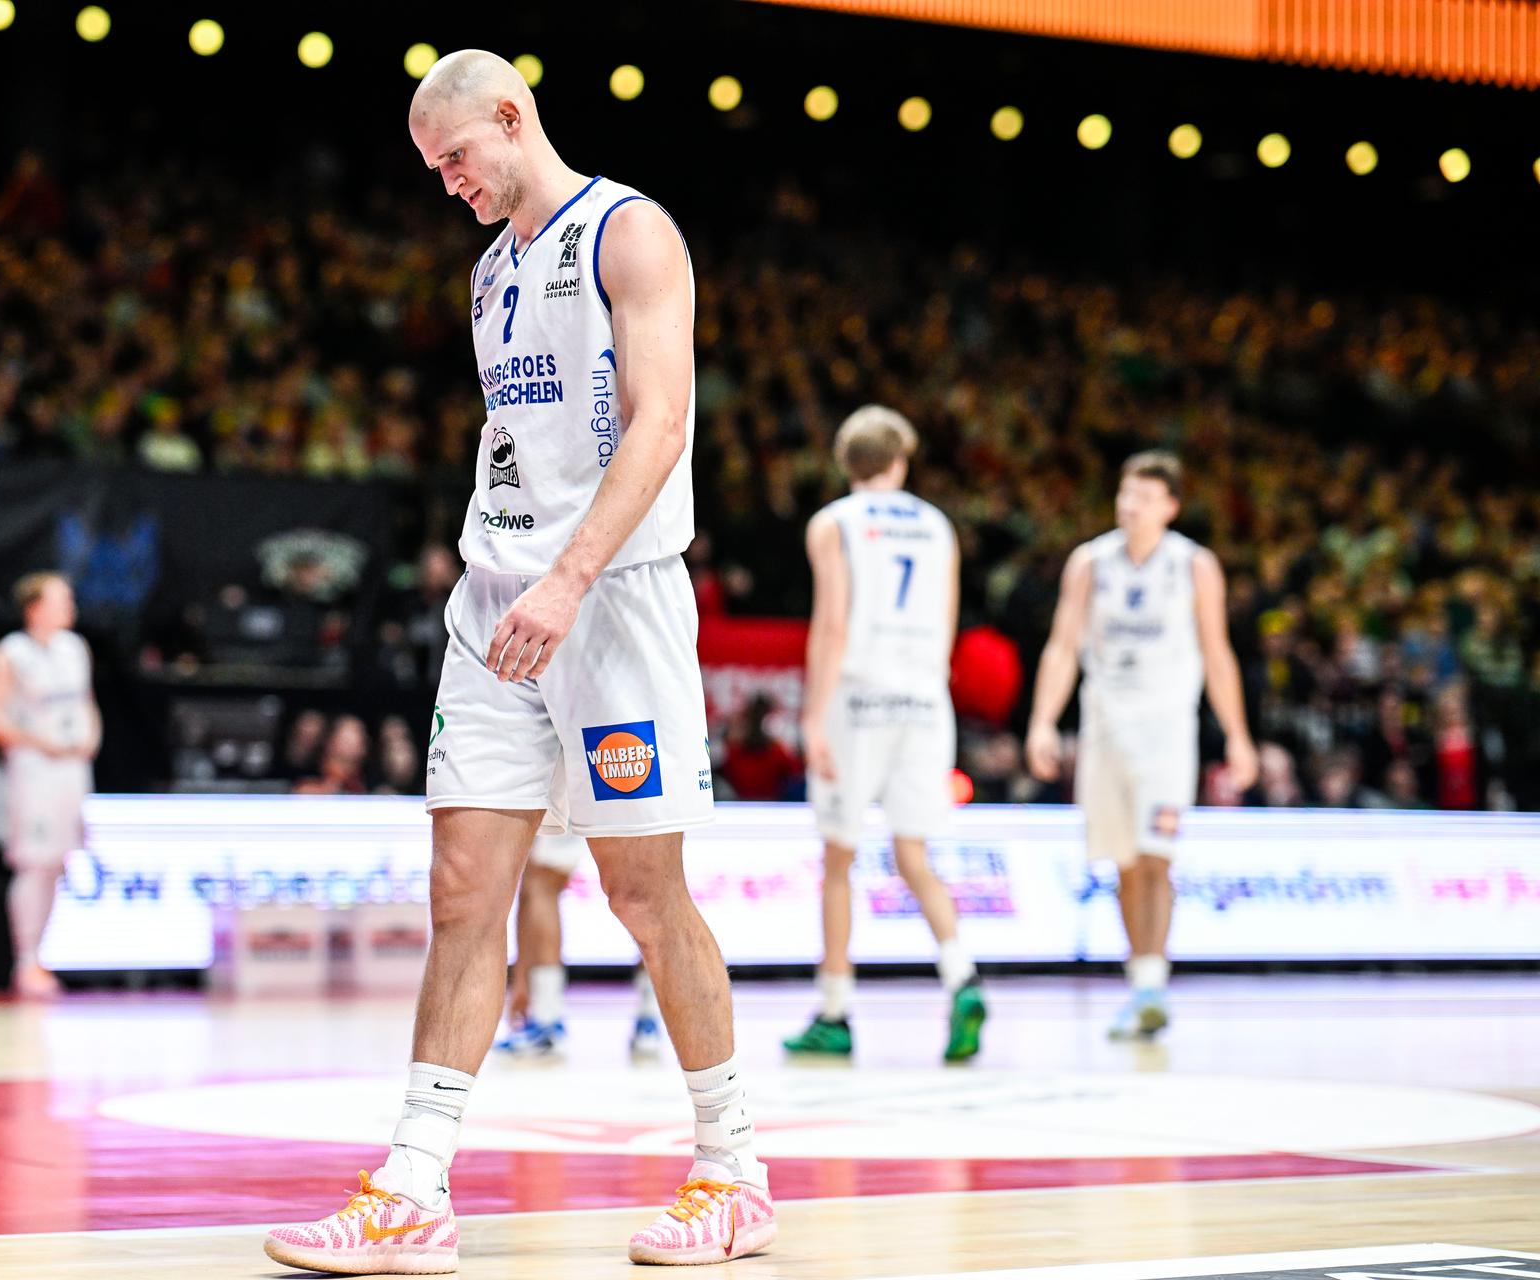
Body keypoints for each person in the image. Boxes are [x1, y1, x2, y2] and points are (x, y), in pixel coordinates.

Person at [264, 49, 774, 1274]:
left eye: (455, 158)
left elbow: (661, 422)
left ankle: (733, 1167)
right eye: (433, 169)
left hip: (612, 603)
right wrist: (508, 573)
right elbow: (523, 443)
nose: (447, 184)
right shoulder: (490, 269)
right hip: (498, 605)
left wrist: (567, 577)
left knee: (645, 895)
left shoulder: (632, 233)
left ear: (510, 116)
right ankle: (415, 1182)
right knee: (460, 891)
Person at [1024, 450, 1259, 1039]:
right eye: (1126, 494)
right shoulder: (1091, 561)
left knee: (1157, 858)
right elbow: (1061, 646)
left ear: (1170, 507)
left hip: (1166, 733)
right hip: (1105, 729)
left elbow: (1217, 651)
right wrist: (1042, 721)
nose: (1131, 505)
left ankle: (1153, 983)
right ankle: (1141, 981)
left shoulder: (1194, 565)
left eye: (1145, 497)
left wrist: (1238, 736)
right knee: (1124, 865)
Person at [785, 406, 986, 1062]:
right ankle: (961, 976)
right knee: (913, 855)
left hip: (859, 699)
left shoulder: (835, 523)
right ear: (900, 462)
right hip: (925, 700)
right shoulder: (936, 525)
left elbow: (833, 623)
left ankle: (836, 1011)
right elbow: (950, 622)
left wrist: (814, 716)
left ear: (847, 463)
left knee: (839, 860)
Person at [0, 572, 101, 999]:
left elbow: (86, 704)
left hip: (72, 766)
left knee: (66, 863)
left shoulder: (75, 648)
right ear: (34, 607)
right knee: (34, 863)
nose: (72, 606)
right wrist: (38, 742)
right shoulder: (10, 653)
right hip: (34, 767)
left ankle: (46, 955)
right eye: (62, 599)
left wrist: (91, 739)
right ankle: (26, 958)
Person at [495, 832, 664, 1058]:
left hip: (576, 797)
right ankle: (650, 1020)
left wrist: (521, 980)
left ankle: (547, 1021)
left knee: (542, 880)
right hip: (642, 800)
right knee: (648, 883)